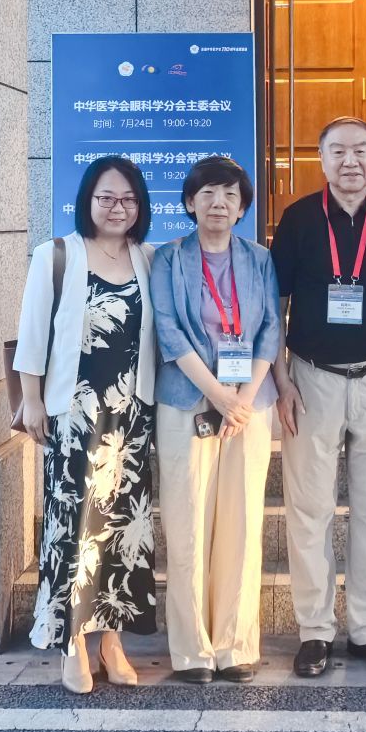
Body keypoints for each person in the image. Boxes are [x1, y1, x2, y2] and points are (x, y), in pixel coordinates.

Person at [271, 117, 366, 678]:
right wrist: (283, 380)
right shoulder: (297, 219)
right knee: (309, 510)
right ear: (322, 158)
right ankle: (315, 631)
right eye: (338, 151)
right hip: (312, 379)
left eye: (361, 150)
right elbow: (275, 306)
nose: (350, 161)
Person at [14, 155, 159, 696]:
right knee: (75, 527)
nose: (117, 208)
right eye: (106, 198)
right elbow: (32, 333)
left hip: (131, 418)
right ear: (88, 201)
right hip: (74, 416)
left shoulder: (148, 258)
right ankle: (73, 641)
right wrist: (32, 401)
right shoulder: (56, 254)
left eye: (128, 199)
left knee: (122, 532)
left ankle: (112, 641)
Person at [150, 155, 281, 684]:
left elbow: (271, 328)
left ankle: (235, 644)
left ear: (243, 206)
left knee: (242, 522)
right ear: (189, 202)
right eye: (207, 193)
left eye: (229, 194)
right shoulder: (168, 258)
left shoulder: (260, 259)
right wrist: (218, 395)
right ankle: (192, 649)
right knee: (187, 523)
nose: (218, 203)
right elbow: (168, 330)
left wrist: (241, 398)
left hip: (249, 406)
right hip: (186, 399)